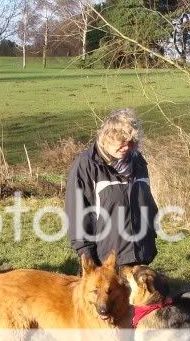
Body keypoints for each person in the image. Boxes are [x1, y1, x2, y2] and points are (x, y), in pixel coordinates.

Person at [65, 108, 158, 269]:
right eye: (122, 141)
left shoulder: (138, 162)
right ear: (107, 137)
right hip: (105, 261)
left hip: (141, 256)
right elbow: (77, 213)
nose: (127, 147)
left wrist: (151, 233)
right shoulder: (87, 165)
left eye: (131, 142)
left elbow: (147, 200)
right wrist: (87, 256)